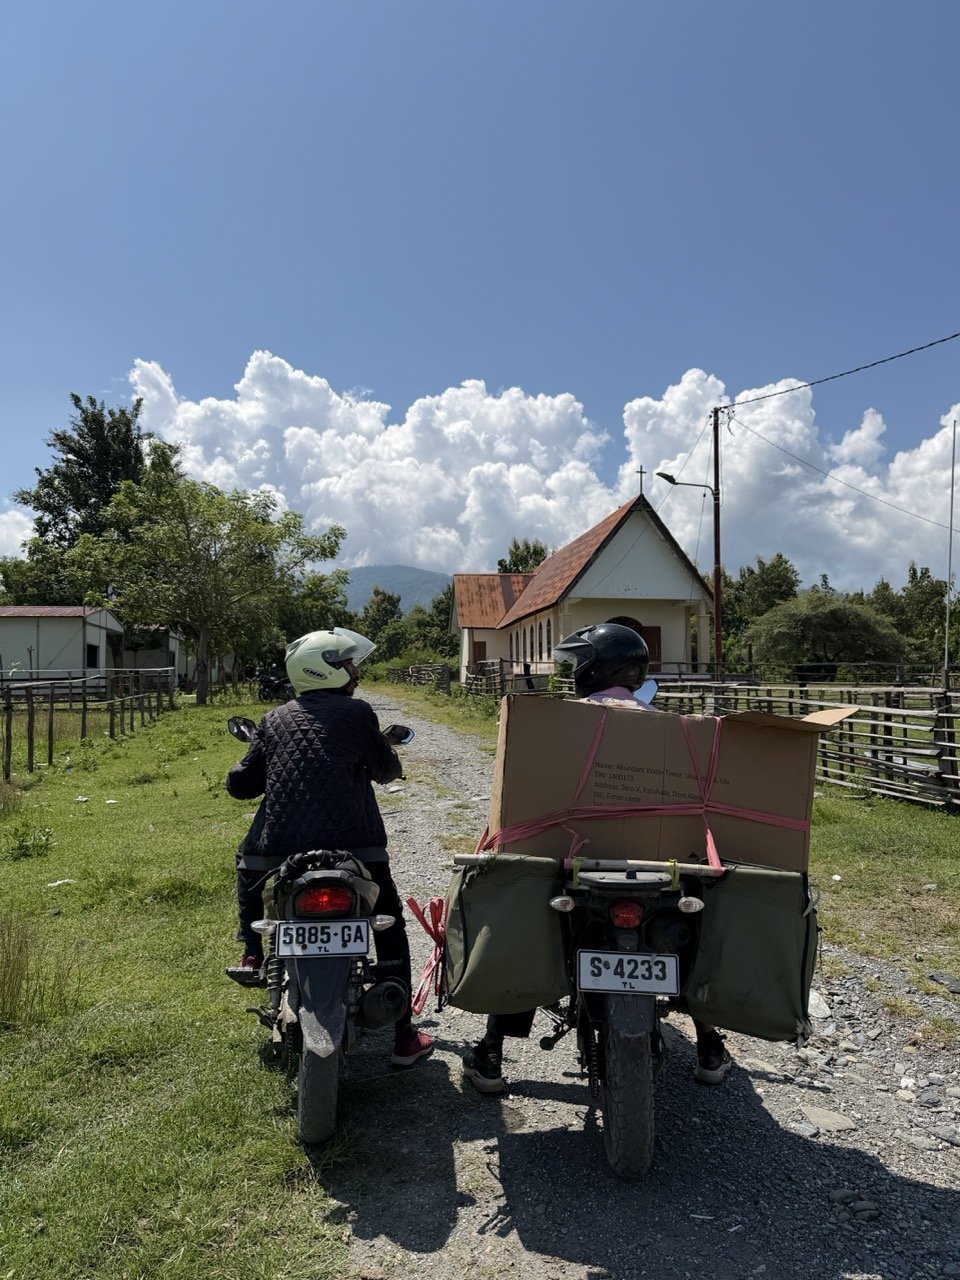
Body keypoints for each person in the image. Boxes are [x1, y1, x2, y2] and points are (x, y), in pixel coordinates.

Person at [463, 621, 732, 1093]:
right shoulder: (670, 727)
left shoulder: (563, 725)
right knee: (694, 927)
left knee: (523, 921)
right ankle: (709, 1040)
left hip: (576, 865)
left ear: (592, 668)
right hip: (657, 869)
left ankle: (491, 1051)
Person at [225, 627, 434, 1069]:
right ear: (327, 667)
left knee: (247, 868)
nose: (356, 671)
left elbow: (241, 786)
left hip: (280, 848)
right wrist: (385, 757)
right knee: (389, 922)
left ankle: (251, 949)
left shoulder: (274, 719)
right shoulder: (358, 714)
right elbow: (385, 768)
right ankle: (403, 1034)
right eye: (348, 663)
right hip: (356, 846)